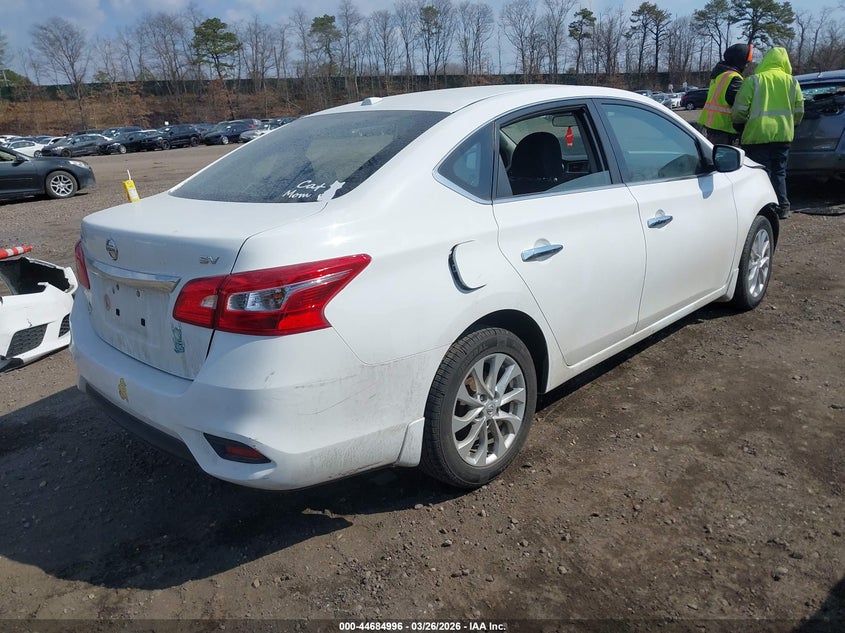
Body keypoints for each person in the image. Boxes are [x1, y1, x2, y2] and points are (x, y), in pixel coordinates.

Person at [732, 47, 804, 219]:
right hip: (783, 135)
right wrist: (792, 124)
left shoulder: (754, 81)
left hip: (757, 135)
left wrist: (739, 125)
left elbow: (739, 110)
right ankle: (783, 206)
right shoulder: (792, 82)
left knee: (759, 174)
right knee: (779, 172)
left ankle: (763, 208)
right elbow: (799, 110)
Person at [698, 43, 754, 145]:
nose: (746, 65)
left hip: (714, 128)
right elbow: (740, 106)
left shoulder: (720, 75)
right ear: (739, 60)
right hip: (725, 130)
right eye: (746, 62)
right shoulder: (733, 78)